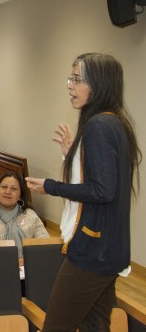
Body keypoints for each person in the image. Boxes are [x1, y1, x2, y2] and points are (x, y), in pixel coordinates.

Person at [25, 53, 141, 331]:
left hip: (92, 250)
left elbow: (103, 190)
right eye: (70, 78)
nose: (69, 85)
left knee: (56, 326)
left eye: (77, 79)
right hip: (110, 250)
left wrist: (50, 186)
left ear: (99, 84)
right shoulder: (115, 121)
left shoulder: (98, 125)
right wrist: (72, 157)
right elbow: (102, 177)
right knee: (95, 325)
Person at [0, 172, 48, 266]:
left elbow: (44, 244)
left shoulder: (30, 214)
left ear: (20, 195)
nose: (8, 192)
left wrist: (27, 260)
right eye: (4, 187)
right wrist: (10, 262)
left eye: (14, 189)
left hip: (29, 267)